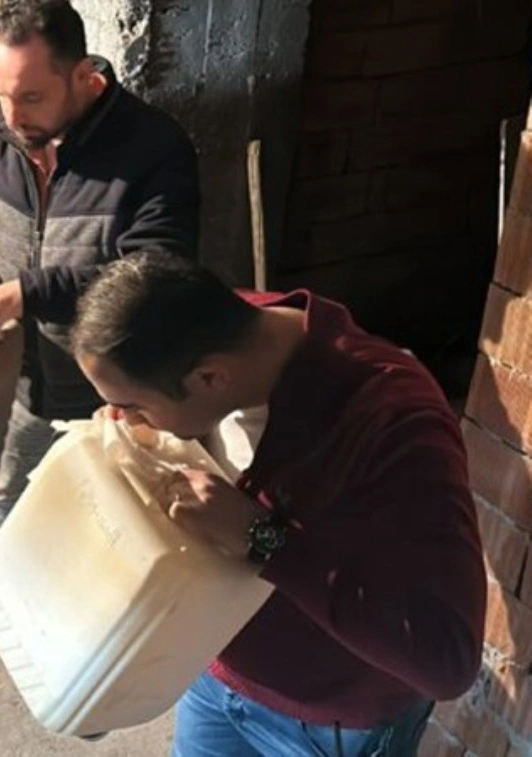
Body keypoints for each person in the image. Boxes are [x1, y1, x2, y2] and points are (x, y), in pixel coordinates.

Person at [69, 250, 485, 756]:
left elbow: (448, 661)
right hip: (213, 680)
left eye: (133, 405)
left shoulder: (394, 423)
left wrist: (262, 538)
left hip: (325, 725)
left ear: (209, 378)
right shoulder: (220, 328)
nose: (122, 417)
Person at [0, 0, 200, 654]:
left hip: (117, 390)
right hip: (25, 373)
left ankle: (93, 634)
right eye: (2, 95)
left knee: (112, 517)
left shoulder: (154, 151)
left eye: (31, 96)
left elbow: (153, 277)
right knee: (15, 493)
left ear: (85, 76)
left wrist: (30, 293)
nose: (12, 116)